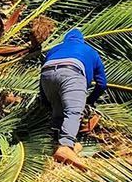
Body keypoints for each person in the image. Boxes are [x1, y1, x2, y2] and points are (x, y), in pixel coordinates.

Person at [39, 27, 108, 164]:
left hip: (46, 74)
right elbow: (102, 83)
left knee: (58, 113)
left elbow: (43, 78)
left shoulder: (55, 49)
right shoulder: (90, 51)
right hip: (72, 73)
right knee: (73, 112)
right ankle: (65, 146)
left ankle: (55, 147)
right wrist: (90, 101)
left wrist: (45, 100)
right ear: (81, 40)